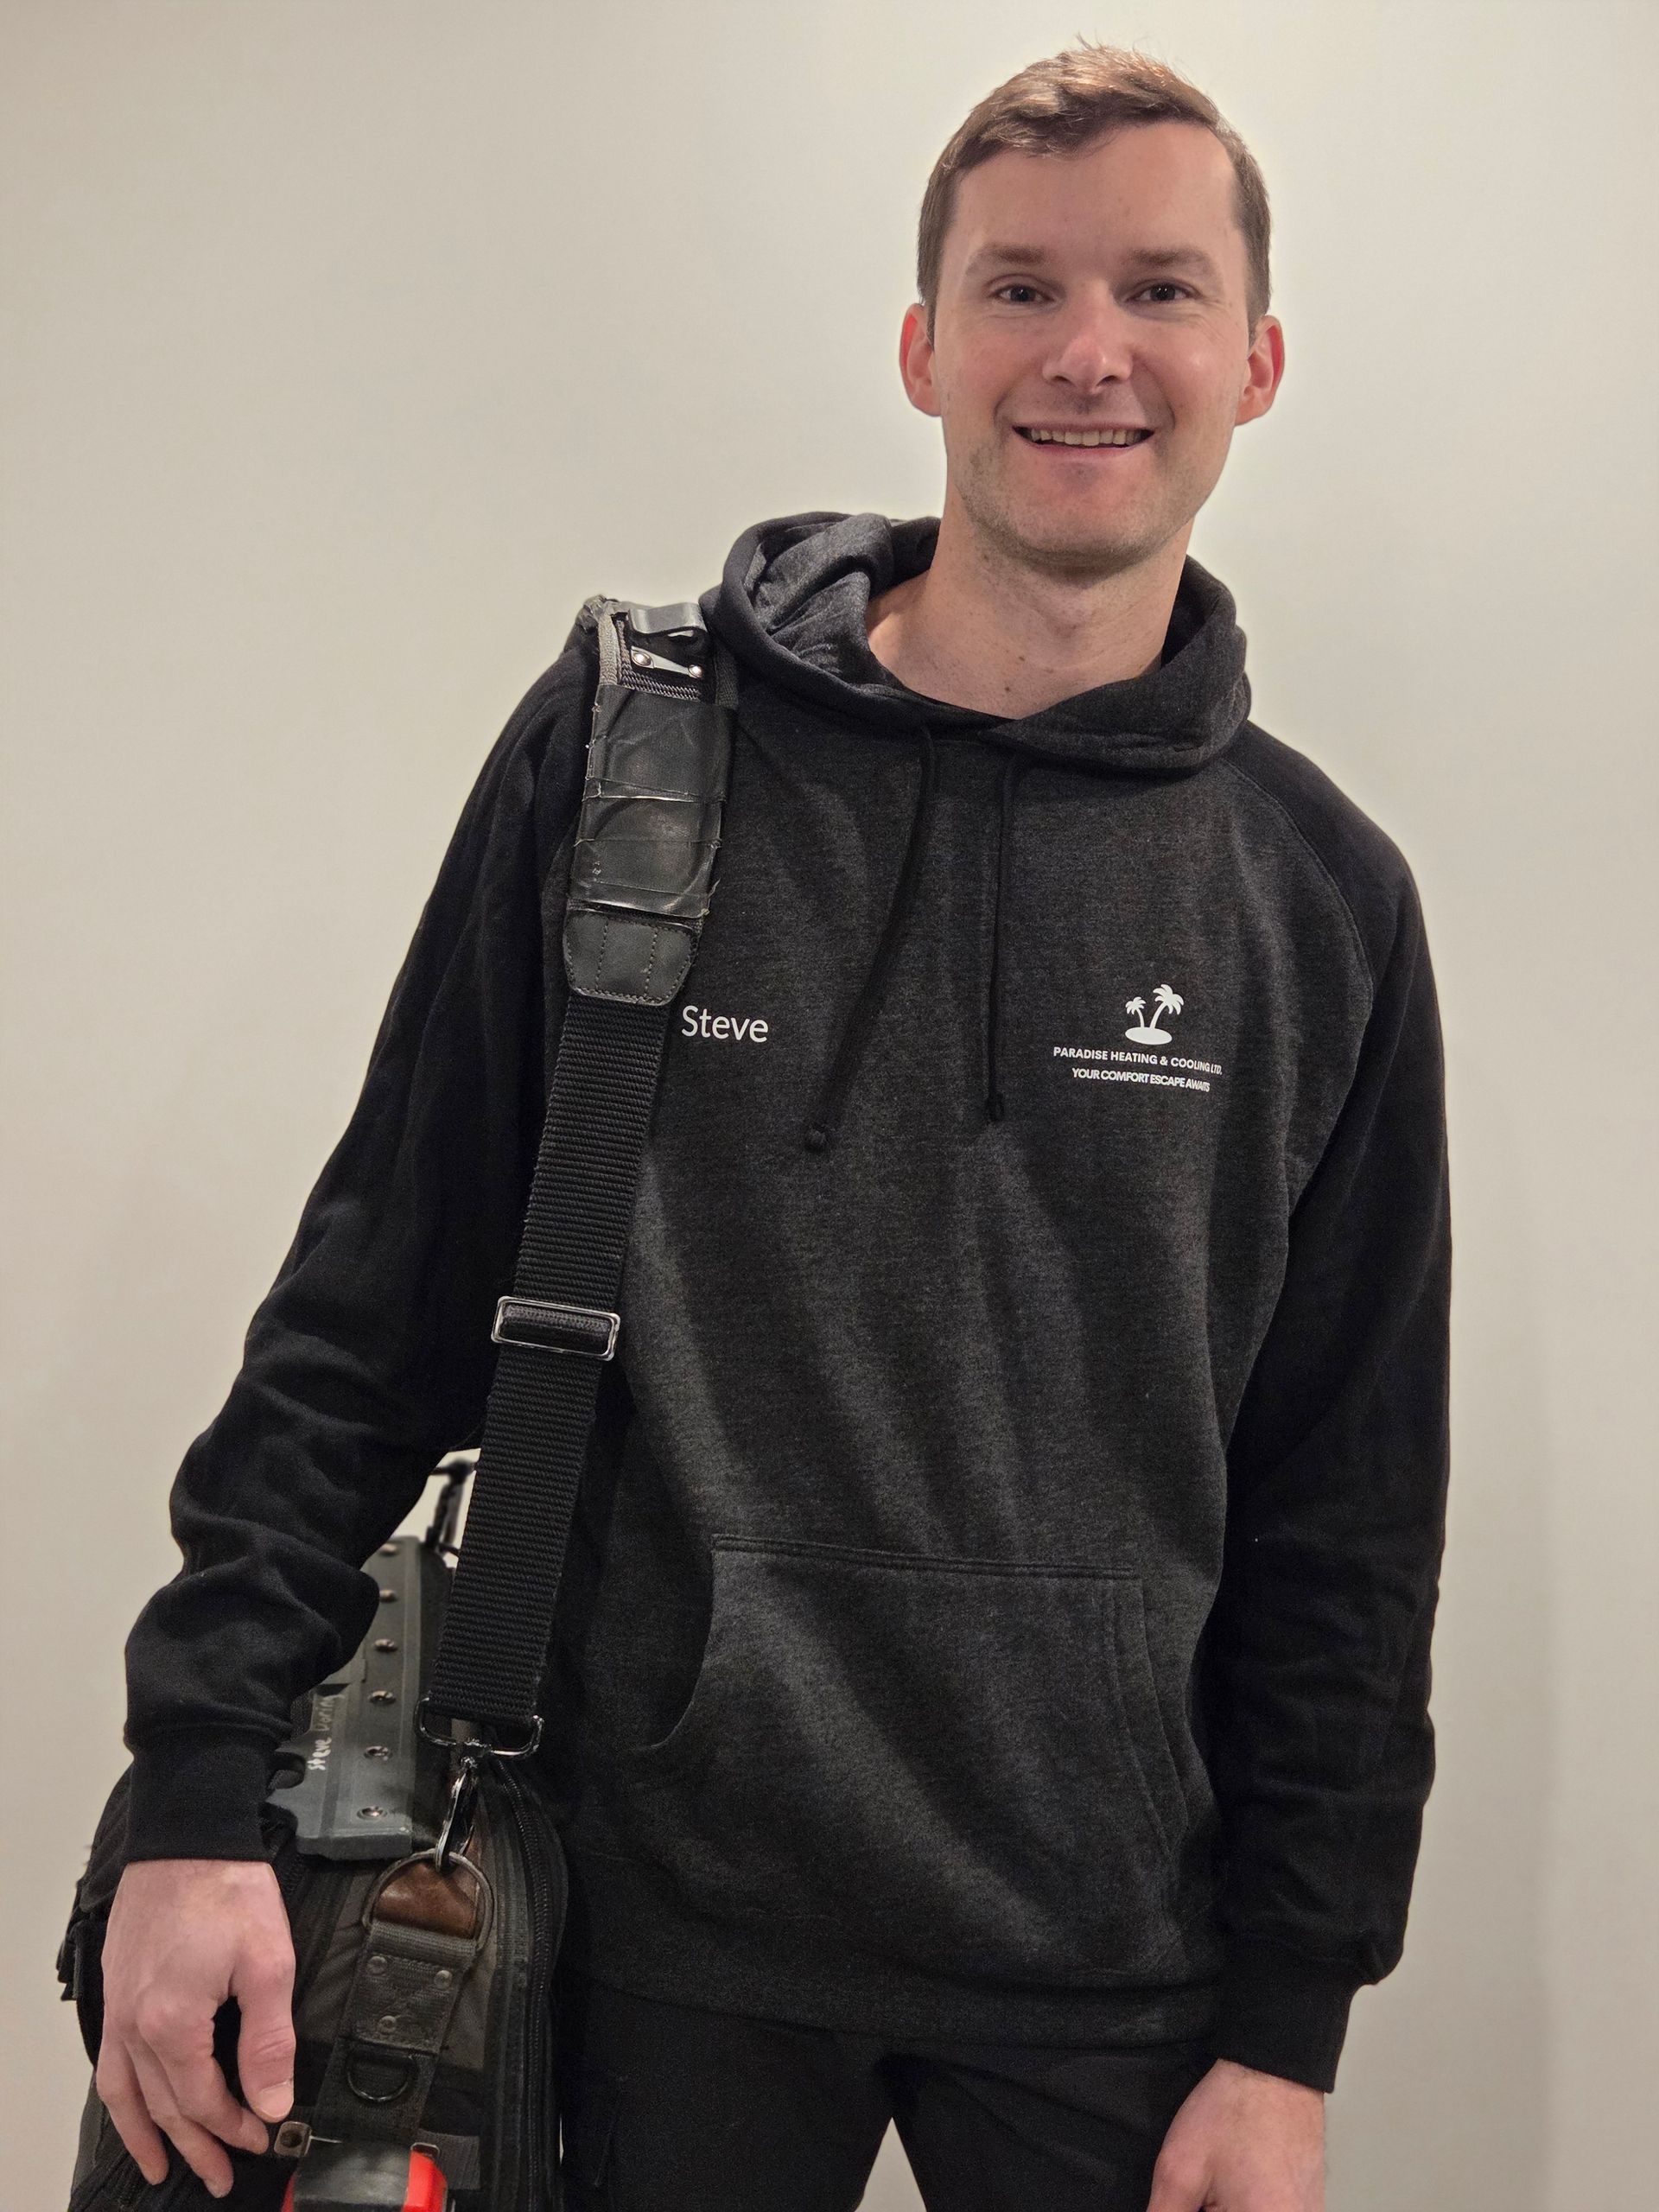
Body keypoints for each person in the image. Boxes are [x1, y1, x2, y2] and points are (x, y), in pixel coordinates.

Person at [88, 36, 1452, 2212]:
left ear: (1258, 359)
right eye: (1020, 288)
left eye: (1162, 293)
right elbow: (375, 1300)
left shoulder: (1322, 903)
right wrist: (190, 1793)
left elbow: (1348, 1527)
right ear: (922, 341)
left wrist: (1290, 2032)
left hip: (1111, 1967)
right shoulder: (637, 761)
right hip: (643, 1933)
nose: (1089, 352)